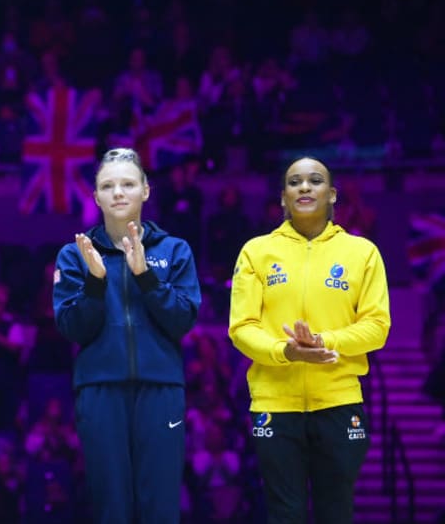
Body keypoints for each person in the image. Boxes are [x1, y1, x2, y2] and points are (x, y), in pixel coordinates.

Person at [228, 156, 390, 523]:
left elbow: (377, 326)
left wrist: (323, 341)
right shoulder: (256, 252)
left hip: (339, 402)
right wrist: (284, 351)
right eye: (294, 182)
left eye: (315, 181)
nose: (304, 187)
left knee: (336, 511)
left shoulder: (362, 253)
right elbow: (241, 327)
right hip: (275, 404)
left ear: (332, 194)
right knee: (285, 513)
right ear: (283, 197)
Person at [52, 147, 201, 523]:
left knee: (161, 508)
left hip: (161, 389)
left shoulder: (174, 250)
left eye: (128, 184)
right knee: (111, 508)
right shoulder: (75, 255)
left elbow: (183, 320)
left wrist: (146, 276)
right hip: (99, 390)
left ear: (146, 191)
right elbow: (72, 327)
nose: (118, 192)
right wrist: (96, 283)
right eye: (108, 185)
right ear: (96, 196)